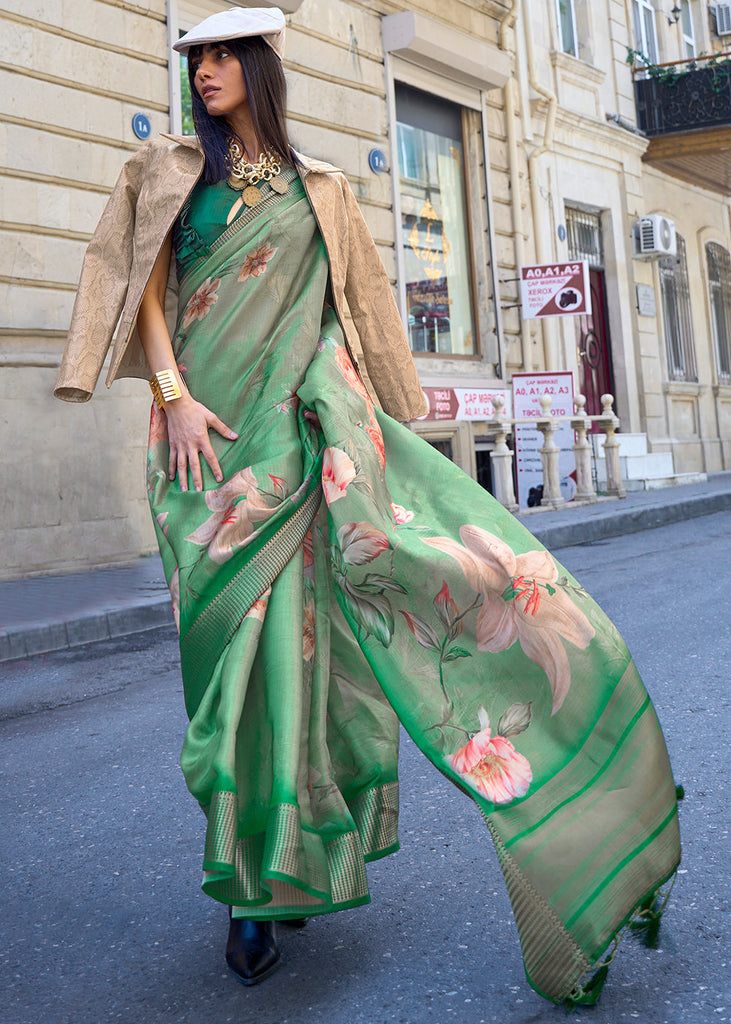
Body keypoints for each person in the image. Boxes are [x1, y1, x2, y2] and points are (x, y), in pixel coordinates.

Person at [55, 7, 681, 1004]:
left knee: (296, 668)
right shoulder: (170, 170)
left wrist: (367, 408)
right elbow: (143, 291)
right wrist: (170, 396)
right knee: (224, 679)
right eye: (195, 57)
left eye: (222, 56)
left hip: (297, 448)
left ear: (259, 69)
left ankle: (260, 890)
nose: (204, 71)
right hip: (201, 458)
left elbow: (353, 310)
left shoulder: (326, 189)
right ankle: (270, 858)